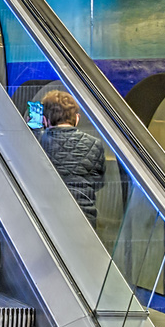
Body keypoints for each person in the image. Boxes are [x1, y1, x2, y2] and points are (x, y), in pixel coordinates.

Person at [37, 89, 104, 226]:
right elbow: (98, 182)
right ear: (77, 118)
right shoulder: (95, 144)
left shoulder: (37, 143)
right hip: (85, 218)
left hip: (48, 218)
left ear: (45, 120)